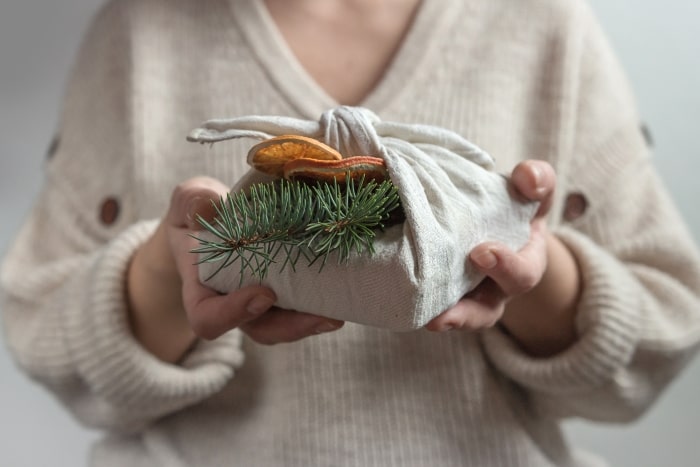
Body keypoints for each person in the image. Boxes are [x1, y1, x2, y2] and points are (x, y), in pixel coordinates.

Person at [2, 0, 699, 465]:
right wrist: (164, 270)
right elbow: (39, 324)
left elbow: (664, 333)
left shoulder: (543, 25)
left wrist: (536, 277)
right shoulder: (142, 29)